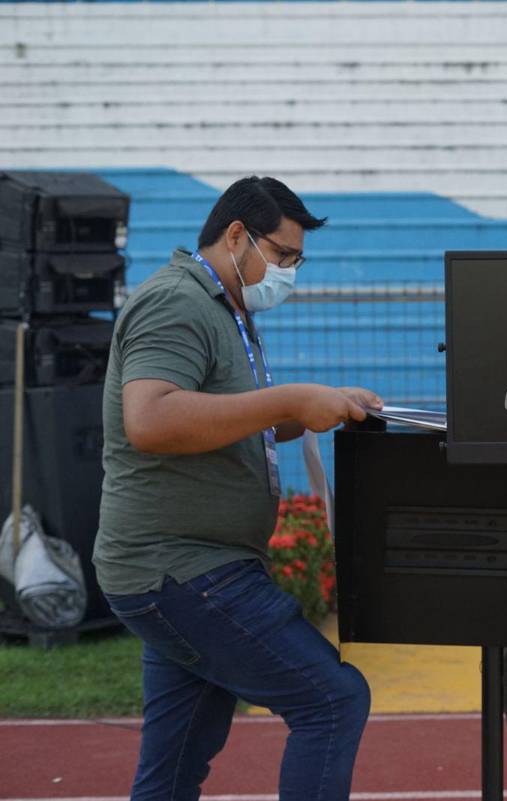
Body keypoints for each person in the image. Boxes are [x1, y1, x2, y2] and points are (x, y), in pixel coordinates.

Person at [94, 176, 383, 801]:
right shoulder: (177, 302)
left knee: (174, 766)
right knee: (333, 700)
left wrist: (309, 409)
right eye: (282, 255)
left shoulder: (227, 308)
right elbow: (150, 420)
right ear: (235, 236)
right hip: (184, 569)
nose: (288, 273)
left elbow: (224, 419)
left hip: (181, 568)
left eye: (296, 261)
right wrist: (288, 398)